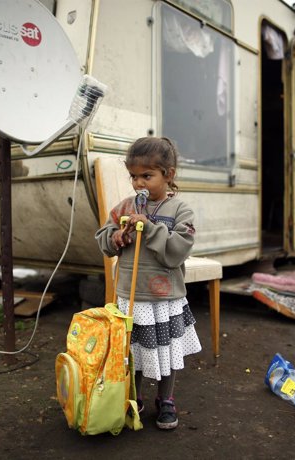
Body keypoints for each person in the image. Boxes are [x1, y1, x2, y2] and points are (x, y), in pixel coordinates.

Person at [95, 136, 201, 430]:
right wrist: (115, 237)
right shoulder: (123, 207)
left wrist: (149, 227)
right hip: (131, 296)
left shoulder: (181, 211)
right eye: (133, 176)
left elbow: (177, 251)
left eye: (147, 175)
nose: (139, 183)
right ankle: (133, 397)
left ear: (168, 175)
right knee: (133, 352)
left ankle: (165, 399)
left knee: (166, 352)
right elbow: (103, 238)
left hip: (164, 297)